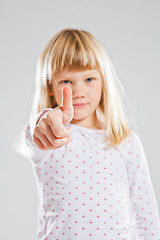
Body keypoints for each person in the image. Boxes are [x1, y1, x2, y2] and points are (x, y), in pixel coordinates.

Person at [19, 28, 160, 240]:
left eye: (89, 79)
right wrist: (43, 121)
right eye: (66, 82)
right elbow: (34, 135)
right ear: (50, 86)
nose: (78, 92)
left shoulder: (125, 141)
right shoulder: (53, 138)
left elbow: (145, 211)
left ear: (104, 81)